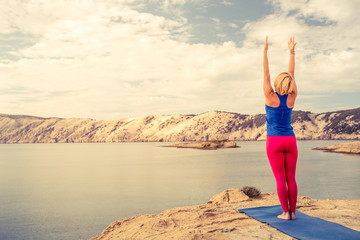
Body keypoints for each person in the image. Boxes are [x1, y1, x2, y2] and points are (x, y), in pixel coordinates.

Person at [263, 36, 298, 220]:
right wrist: (292, 52)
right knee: (291, 177)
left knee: (280, 178)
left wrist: (265, 53)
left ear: (277, 83)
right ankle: (293, 213)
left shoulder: (270, 96)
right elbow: (292, 74)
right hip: (290, 140)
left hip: (274, 141)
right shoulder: (292, 97)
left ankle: (285, 212)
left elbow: (266, 73)